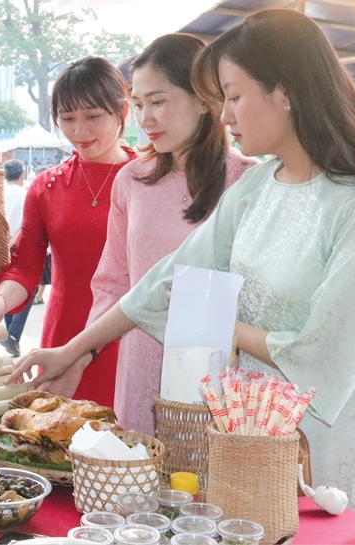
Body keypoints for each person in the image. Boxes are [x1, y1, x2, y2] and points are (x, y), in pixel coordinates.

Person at [8, 9, 355, 517]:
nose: (224, 115)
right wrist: (73, 351)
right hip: (249, 435)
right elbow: (166, 280)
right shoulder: (257, 188)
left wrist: (226, 325)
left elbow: (328, 351)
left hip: (325, 441)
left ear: (285, 93)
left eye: (234, 96)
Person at [80, 34, 257, 435]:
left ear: (204, 99)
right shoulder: (131, 180)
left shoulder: (247, 180)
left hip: (217, 372)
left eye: (158, 102)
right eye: (139, 105)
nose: (145, 119)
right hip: (139, 360)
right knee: (136, 466)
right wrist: (84, 352)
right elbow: (112, 281)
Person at [0, 56, 138, 407]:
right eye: (68, 118)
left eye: (93, 116)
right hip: (62, 337)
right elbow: (26, 267)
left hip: (131, 337)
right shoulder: (46, 187)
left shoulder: (150, 181)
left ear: (122, 111)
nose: (80, 131)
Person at [0, 159, 31, 357]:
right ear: (22, 176)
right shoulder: (26, 195)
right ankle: (13, 335)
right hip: (19, 247)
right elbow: (26, 226)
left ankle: (10, 333)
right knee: (26, 289)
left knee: (3, 288)